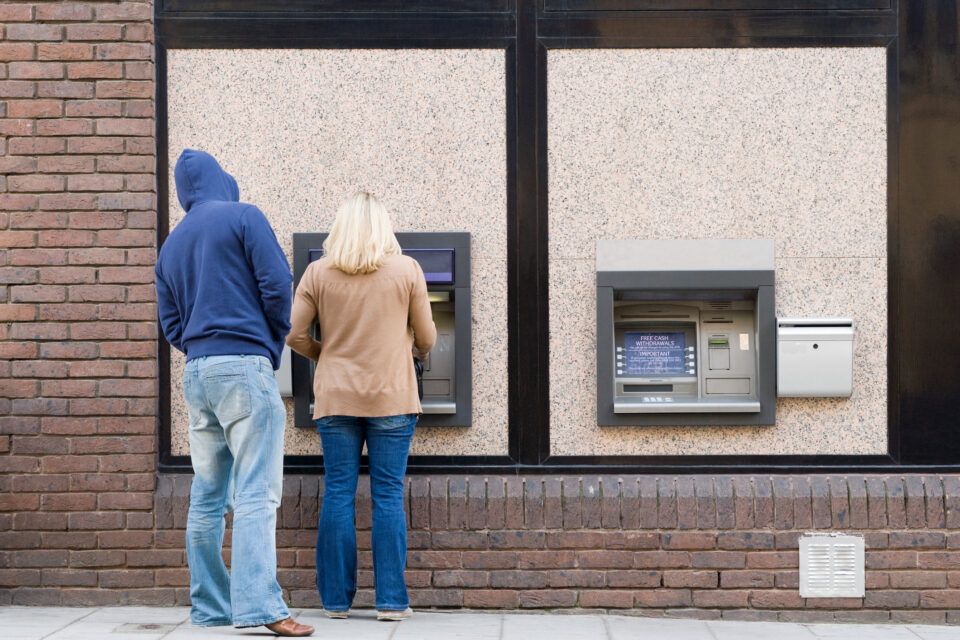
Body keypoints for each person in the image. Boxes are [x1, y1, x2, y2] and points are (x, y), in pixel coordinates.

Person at [155, 149, 314, 638]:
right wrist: (269, 339)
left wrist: (201, 348)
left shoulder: (170, 245)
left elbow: (171, 324)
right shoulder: (244, 216)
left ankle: (209, 606)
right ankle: (261, 606)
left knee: (207, 493)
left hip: (197, 374)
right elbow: (278, 284)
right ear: (221, 179)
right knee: (255, 491)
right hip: (243, 366)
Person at [286, 192, 436, 621]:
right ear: (384, 227)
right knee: (388, 495)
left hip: (337, 396)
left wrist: (326, 354)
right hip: (392, 396)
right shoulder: (407, 270)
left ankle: (336, 602)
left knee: (338, 492)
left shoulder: (318, 273)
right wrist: (410, 349)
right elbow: (427, 338)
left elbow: (293, 334)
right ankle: (391, 602)